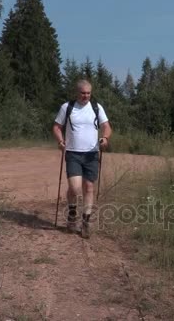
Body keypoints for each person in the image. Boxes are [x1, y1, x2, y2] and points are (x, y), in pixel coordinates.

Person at [52, 80, 112, 238]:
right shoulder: (67, 107)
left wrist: (105, 138)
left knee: (89, 187)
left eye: (88, 93)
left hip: (92, 154)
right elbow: (57, 127)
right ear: (76, 92)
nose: (85, 96)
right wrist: (60, 141)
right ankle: (72, 212)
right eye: (82, 93)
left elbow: (106, 126)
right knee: (75, 187)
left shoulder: (96, 107)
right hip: (73, 153)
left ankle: (85, 222)